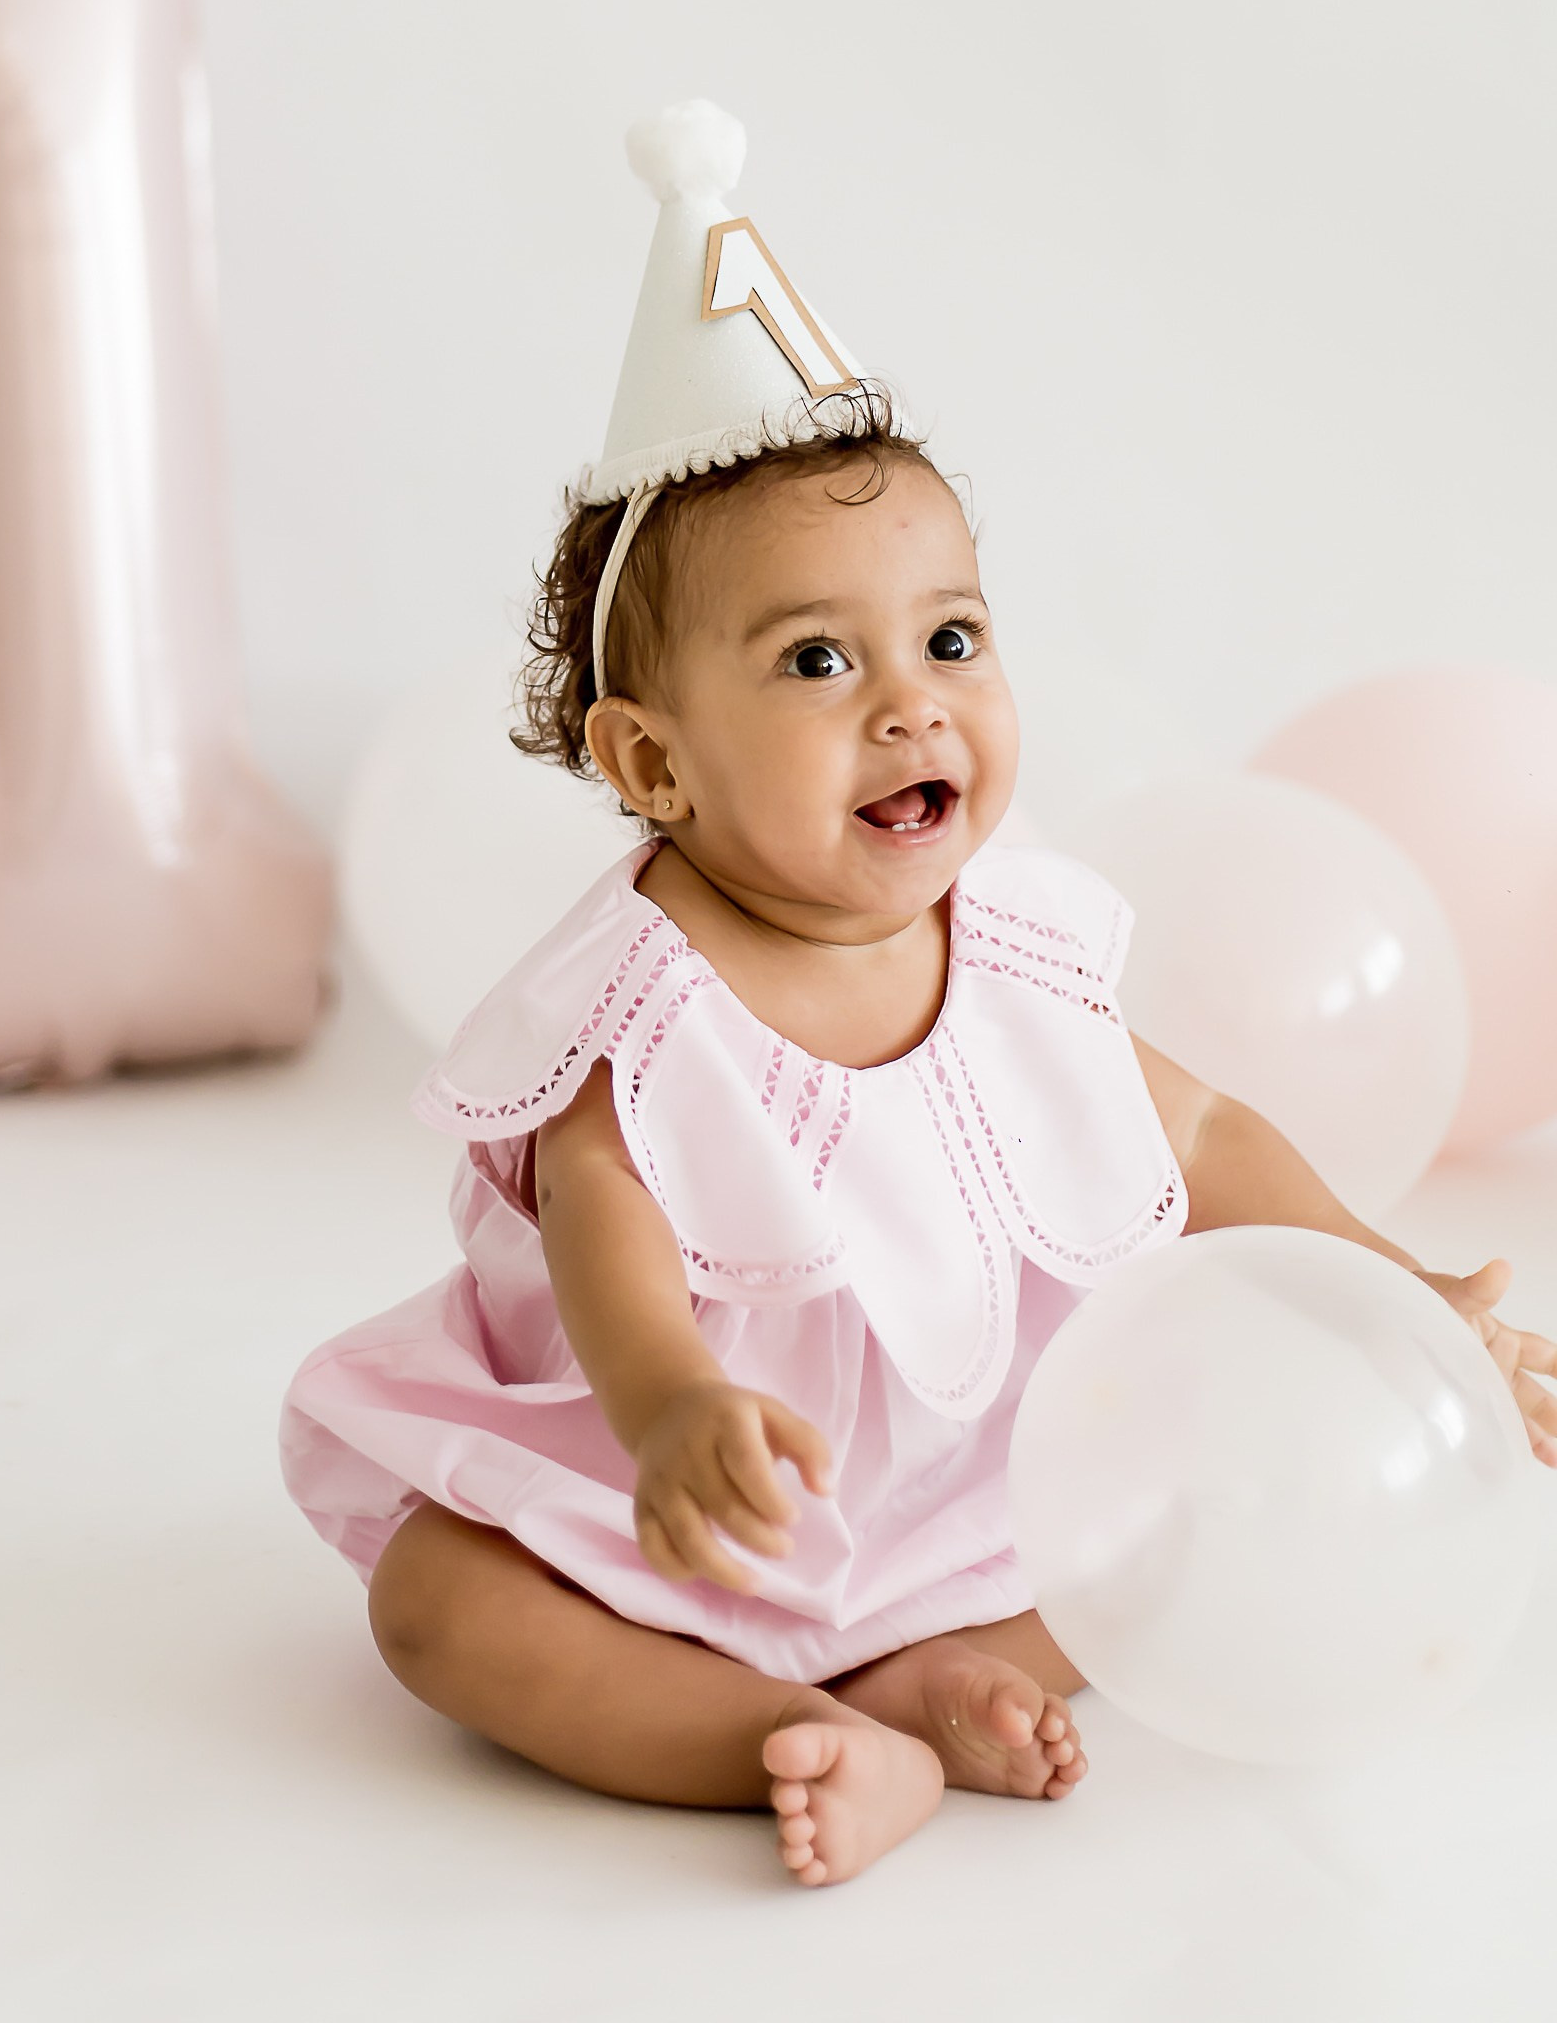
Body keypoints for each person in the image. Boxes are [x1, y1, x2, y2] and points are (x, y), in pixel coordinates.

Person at [281, 102, 1557, 1887]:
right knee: (438, 1610)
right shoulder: (635, 1007)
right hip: (694, 1494)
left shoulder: (1020, 935)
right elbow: (602, 1221)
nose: (914, 701)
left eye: (950, 636)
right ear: (650, 758)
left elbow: (1195, 1128)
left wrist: (1397, 1291)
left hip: (980, 1476)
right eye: (818, 659)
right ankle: (787, 1739)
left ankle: (950, 1667)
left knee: (1174, 1536)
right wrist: (671, 1419)